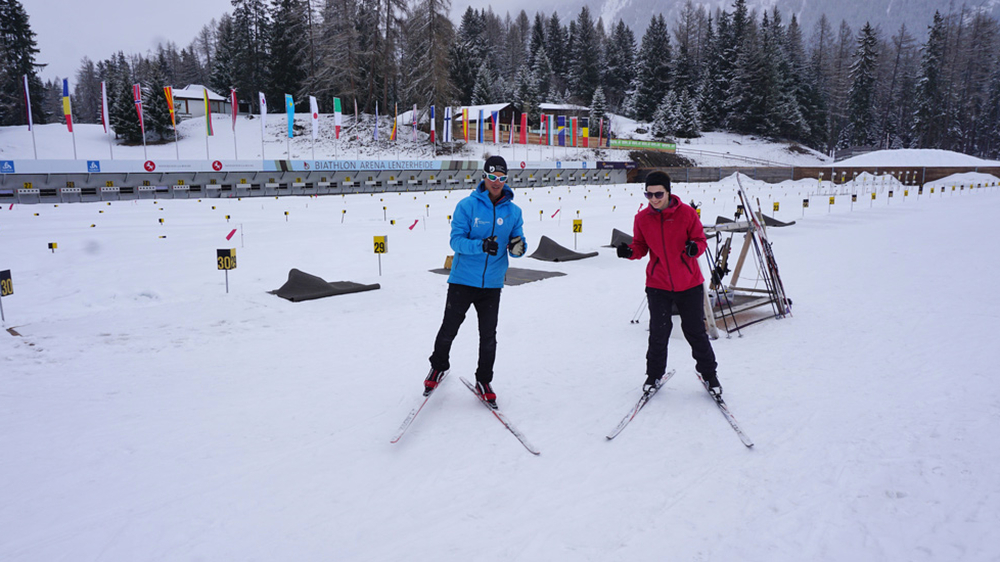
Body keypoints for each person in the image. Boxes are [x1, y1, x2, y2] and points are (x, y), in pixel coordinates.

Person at [424, 155, 526, 407]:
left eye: (501, 178)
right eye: (492, 177)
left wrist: (518, 248)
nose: (497, 182)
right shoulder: (467, 206)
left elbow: (518, 243)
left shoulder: (514, 212)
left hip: (492, 284)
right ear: (485, 177)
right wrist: (480, 245)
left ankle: (484, 379)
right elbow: (455, 241)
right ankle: (438, 367)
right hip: (462, 280)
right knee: (449, 329)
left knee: (488, 336)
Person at [616, 170, 722, 396]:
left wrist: (695, 248)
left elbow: (700, 240)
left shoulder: (686, 214)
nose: (654, 199)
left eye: (658, 194)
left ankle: (710, 375)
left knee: (694, 332)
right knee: (658, 332)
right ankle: (653, 375)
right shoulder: (642, 219)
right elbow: (641, 247)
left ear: (668, 191)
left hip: (689, 284)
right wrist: (629, 252)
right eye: (649, 194)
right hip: (658, 285)